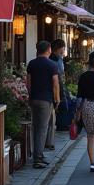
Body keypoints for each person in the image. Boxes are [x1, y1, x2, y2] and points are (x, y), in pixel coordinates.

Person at [26, 41, 59, 169]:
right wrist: (57, 99)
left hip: (34, 98)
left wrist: (30, 95)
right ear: (49, 50)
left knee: (35, 126)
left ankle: (38, 153)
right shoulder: (52, 64)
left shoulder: (32, 64)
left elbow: (28, 82)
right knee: (42, 128)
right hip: (46, 99)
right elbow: (55, 83)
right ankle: (38, 158)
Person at [50, 38, 70, 141]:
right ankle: (61, 126)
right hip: (57, 84)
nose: (64, 50)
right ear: (58, 48)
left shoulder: (59, 58)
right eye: (63, 48)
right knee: (61, 105)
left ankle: (62, 125)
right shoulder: (53, 59)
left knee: (64, 105)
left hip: (61, 84)